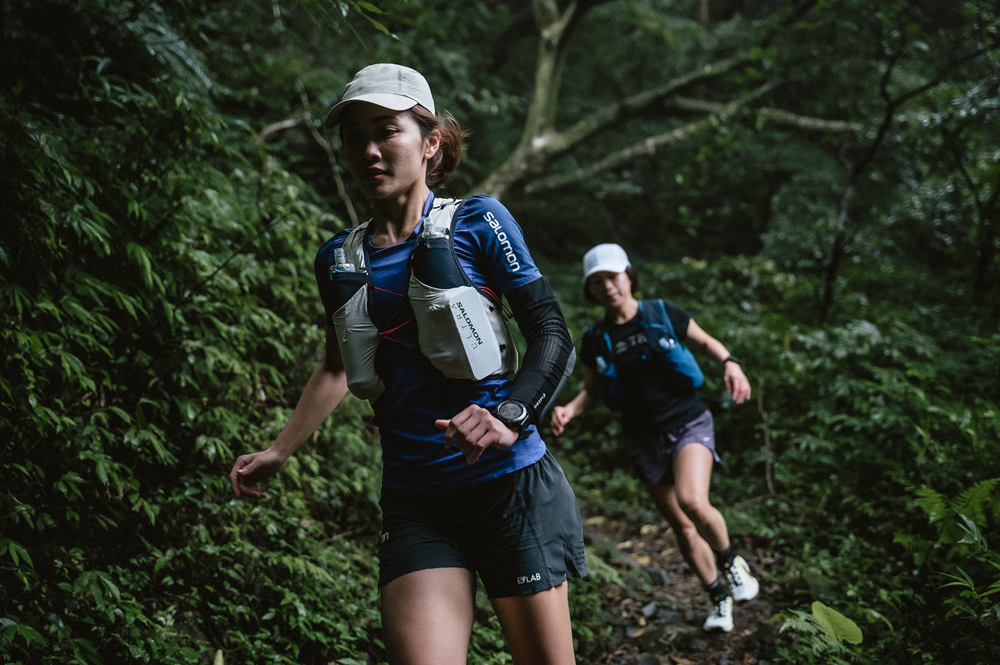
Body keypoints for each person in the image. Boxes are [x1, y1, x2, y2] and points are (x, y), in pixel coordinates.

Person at [228, 63, 586, 665]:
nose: (368, 150)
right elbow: (338, 366)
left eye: (386, 131)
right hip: (418, 500)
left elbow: (552, 334)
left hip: (511, 488)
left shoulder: (479, 222)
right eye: (354, 136)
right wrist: (279, 451)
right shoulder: (338, 259)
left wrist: (511, 413)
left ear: (430, 142)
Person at [550, 243, 758, 633]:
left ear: (629, 276)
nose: (607, 286)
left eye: (612, 277)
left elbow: (707, 343)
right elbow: (591, 393)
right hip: (643, 439)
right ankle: (718, 598)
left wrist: (732, 364)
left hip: (688, 423)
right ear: (590, 290)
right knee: (681, 526)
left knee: (693, 501)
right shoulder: (596, 339)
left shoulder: (663, 313)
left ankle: (730, 563)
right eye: (597, 282)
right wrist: (569, 410)